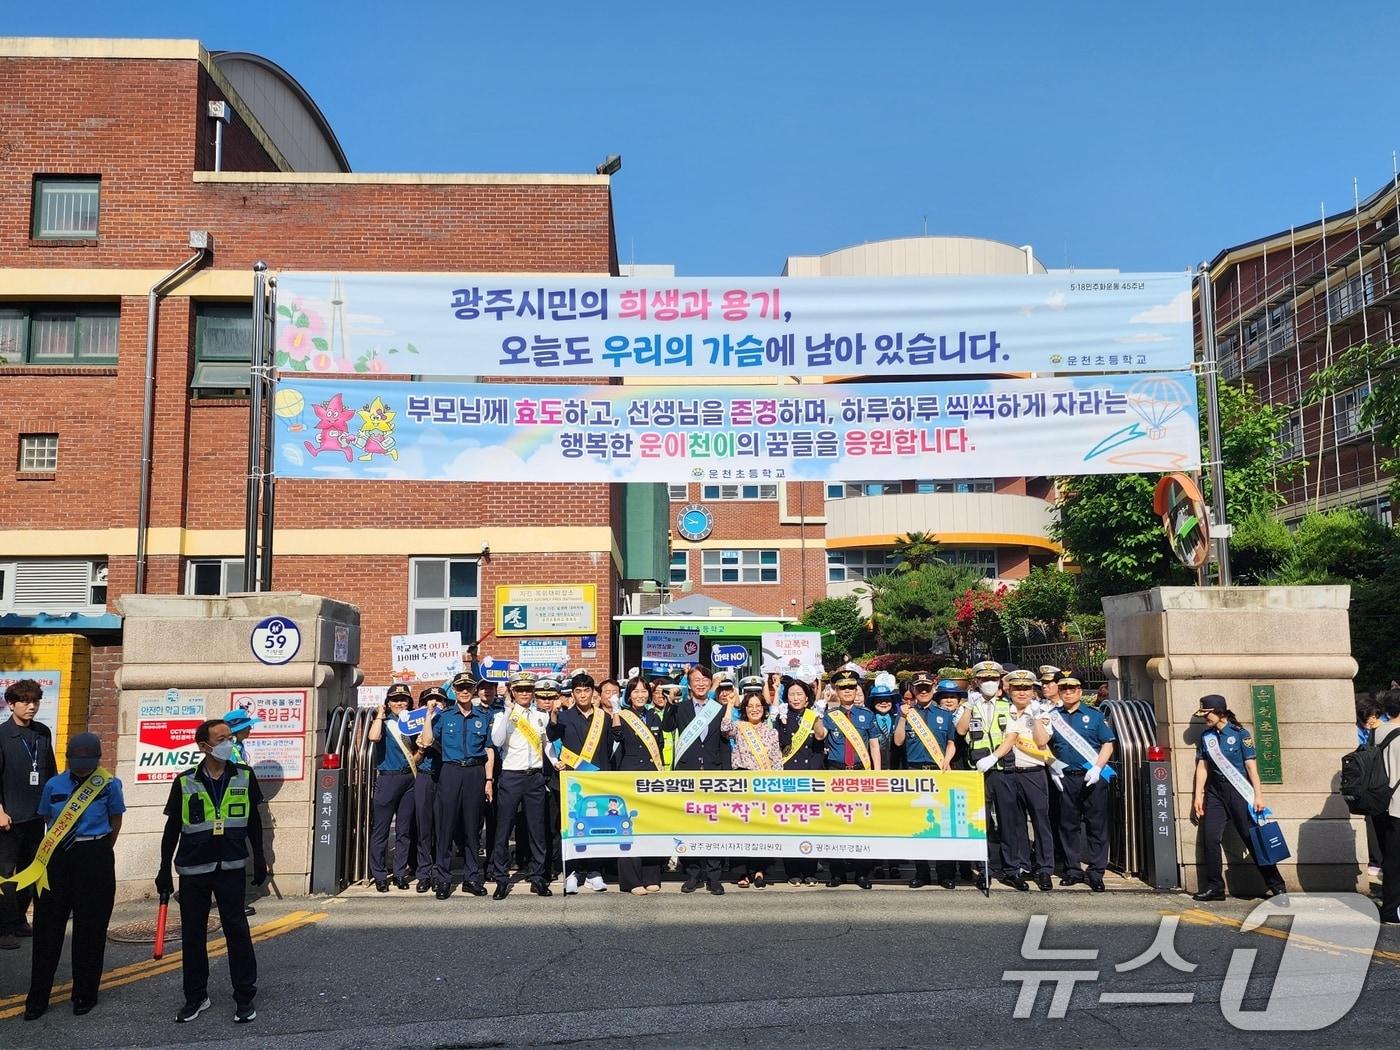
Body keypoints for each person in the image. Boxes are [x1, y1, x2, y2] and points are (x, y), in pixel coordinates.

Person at [156, 717, 268, 1024]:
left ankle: (244, 996)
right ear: (204, 746)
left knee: (237, 931)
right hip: (193, 868)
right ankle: (196, 996)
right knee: (193, 935)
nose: (228, 743)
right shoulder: (185, 780)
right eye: (220, 739)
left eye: (229, 737)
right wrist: (163, 869)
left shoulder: (244, 775)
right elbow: (172, 828)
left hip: (231, 866)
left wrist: (259, 857)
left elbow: (254, 822)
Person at [22, 733, 123, 1020]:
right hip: (57, 858)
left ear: (97, 758)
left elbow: (115, 820)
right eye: (77, 762)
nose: (82, 767)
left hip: (95, 854)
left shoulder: (109, 784)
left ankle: (85, 994)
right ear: (68, 759)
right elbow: (47, 818)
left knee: (90, 928)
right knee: (47, 928)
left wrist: (98, 848)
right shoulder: (54, 784)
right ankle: (37, 998)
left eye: (87, 762)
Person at [1187, 694, 1285, 902]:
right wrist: (1198, 796)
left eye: (1208, 714)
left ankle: (1276, 885)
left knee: (1252, 839)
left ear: (1220, 712)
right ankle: (1215, 887)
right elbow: (1202, 767)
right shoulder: (1207, 737)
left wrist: (1258, 795)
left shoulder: (1241, 734)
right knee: (1211, 838)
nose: (1205, 718)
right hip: (1215, 793)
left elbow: (1251, 767)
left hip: (1239, 792)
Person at [1035, 672, 1115, 892]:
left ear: (1080, 691)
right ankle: (1073, 870)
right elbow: (1042, 743)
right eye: (1064, 689)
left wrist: (1098, 768)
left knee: (1096, 826)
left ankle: (1096, 872)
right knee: (1068, 825)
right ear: (1060, 692)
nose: (1068, 692)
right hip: (1066, 777)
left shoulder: (1094, 715)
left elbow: (1108, 744)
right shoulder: (1052, 716)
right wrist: (1052, 766)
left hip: (1092, 777)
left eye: (1073, 689)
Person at [419, 673, 492, 899]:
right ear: (455, 690)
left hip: (474, 772)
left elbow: (489, 750)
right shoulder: (445, 716)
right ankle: (443, 879)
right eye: (460, 687)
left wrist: (489, 781)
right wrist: (429, 716)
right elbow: (427, 741)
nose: (464, 691)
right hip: (450, 771)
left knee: (472, 828)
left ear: (473, 690)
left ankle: (472, 877)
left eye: (468, 687)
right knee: (445, 827)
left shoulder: (483, 715)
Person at [661, 664, 730, 895]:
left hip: (713, 772)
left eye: (704, 680)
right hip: (687, 772)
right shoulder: (680, 708)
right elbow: (667, 727)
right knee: (688, 824)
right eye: (696, 680)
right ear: (688, 684)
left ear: (711, 683)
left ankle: (714, 876)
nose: (700, 683)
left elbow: (723, 744)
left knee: (713, 825)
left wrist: (726, 774)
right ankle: (692, 874)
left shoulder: (718, 708)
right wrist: (670, 704)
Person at [0, 679, 57, 951]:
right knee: (4, 875)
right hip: (8, 819)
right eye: (25, 701)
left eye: (35, 701)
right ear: (11, 704)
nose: (31, 706)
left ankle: (20, 918)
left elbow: (51, 774)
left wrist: (54, 809)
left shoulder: (43, 733)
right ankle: (3, 927)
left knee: (31, 871)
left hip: (37, 816)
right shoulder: (2, 735)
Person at [487, 673, 553, 899]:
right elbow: (496, 741)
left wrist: (555, 762)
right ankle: (501, 878)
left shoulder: (539, 716)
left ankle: (538, 876)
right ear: (512, 692)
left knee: (537, 829)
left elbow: (547, 745)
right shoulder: (502, 716)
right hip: (511, 776)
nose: (525, 693)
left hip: (534, 776)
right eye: (520, 689)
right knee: (503, 828)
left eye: (528, 689)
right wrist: (507, 710)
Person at [550, 671, 613, 894]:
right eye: (578, 691)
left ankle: (595, 872)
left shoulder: (603, 717)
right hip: (572, 781)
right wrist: (554, 715)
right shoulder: (564, 717)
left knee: (596, 827)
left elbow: (608, 750)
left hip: (597, 780)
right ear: (573, 694)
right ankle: (573, 872)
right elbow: (551, 737)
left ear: (593, 693)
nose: (583, 695)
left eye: (587, 690)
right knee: (572, 827)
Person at [895, 674, 959, 889]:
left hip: (938, 772)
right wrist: (903, 718)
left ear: (933, 688)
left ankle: (945, 873)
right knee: (919, 825)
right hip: (914, 772)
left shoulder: (944, 714)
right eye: (919, 688)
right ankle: (921, 871)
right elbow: (898, 741)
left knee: (942, 825)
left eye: (926, 687)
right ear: (913, 690)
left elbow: (951, 742)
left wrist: (947, 760)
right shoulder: (906, 713)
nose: (923, 691)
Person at [956, 660, 1013, 891]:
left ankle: (1011, 868)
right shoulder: (969, 706)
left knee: (1009, 820)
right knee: (983, 822)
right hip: (978, 772)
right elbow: (960, 731)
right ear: (977, 682)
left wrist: (995, 757)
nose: (989, 683)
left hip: (1003, 770)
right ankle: (985, 866)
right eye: (985, 679)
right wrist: (969, 706)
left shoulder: (1007, 705)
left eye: (993, 679)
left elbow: (1012, 735)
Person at [823, 668, 881, 889]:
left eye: (851, 687)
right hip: (836, 773)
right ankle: (836, 873)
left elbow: (874, 745)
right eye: (843, 687)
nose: (847, 691)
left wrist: (876, 774)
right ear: (836, 690)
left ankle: (862, 873)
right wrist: (819, 709)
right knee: (836, 824)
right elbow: (820, 736)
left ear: (856, 689)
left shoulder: (867, 715)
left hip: (860, 773)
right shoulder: (828, 716)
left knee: (861, 824)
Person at [1000, 669, 1057, 892]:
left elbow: (1042, 741)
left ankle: (1044, 869)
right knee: (1015, 824)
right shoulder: (1004, 711)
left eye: (1026, 688)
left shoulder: (1041, 711)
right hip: (1008, 772)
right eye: (1017, 688)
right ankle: (1020, 867)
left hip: (1034, 772)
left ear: (1033, 691)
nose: (1022, 693)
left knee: (1041, 822)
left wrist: (1034, 718)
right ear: (1009, 690)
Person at [721, 685, 782, 888]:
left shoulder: (771, 732)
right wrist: (730, 704)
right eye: (750, 706)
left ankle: (759, 870)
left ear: (764, 709)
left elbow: (776, 761)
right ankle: (741, 872)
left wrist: (777, 784)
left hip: (764, 783)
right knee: (740, 828)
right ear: (744, 709)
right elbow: (724, 727)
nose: (754, 709)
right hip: (742, 781)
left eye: (758, 706)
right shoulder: (739, 727)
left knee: (761, 829)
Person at [612, 676, 665, 894]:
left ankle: (651, 875)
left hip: (652, 777)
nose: (640, 695)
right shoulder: (623, 716)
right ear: (628, 695)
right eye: (635, 692)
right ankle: (631, 880)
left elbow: (659, 746)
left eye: (644, 691)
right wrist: (615, 712)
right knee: (629, 827)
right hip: (629, 777)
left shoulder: (654, 716)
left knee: (650, 826)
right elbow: (616, 737)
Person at [774, 676, 826, 884]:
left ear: (807, 698)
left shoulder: (815, 715)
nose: (795, 698)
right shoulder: (781, 716)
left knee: (810, 824)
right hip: (789, 775)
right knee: (790, 824)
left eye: (799, 694)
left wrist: (818, 718)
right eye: (791, 694)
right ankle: (793, 871)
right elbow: (780, 744)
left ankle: (810, 870)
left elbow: (821, 737)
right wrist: (783, 723)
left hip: (811, 774)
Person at [366, 683, 416, 892]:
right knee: (381, 830)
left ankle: (399, 873)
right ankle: (379, 874)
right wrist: (380, 714)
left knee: (404, 831)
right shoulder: (384, 722)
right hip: (388, 779)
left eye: (403, 699)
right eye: (395, 700)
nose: (400, 703)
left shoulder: (413, 722)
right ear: (388, 702)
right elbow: (373, 737)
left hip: (409, 779)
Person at [408, 687, 441, 893]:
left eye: (438, 700)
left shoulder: (447, 721)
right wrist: (421, 748)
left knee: (442, 828)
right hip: (424, 777)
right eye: (430, 700)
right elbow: (414, 758)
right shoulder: (413, 726)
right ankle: (424, 872)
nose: (434, 703)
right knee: (423, 828)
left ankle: (439, 871)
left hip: (445, 778)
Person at [532, 678, 566, 883]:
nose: (547, 702)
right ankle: (540, 865)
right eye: (543, 698)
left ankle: (557, 864)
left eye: (551, 697)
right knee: (539, 825)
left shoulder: (564, 718)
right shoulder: (530, 717)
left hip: (558, 776)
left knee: (557, 825)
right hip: (536, 774)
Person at [1376, 690, 1400, 923]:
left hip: (1381, 803)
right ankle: (1392, 910)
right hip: (1398, 805)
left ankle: (1391, 907)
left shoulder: (1377, 732)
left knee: (1391, 858)